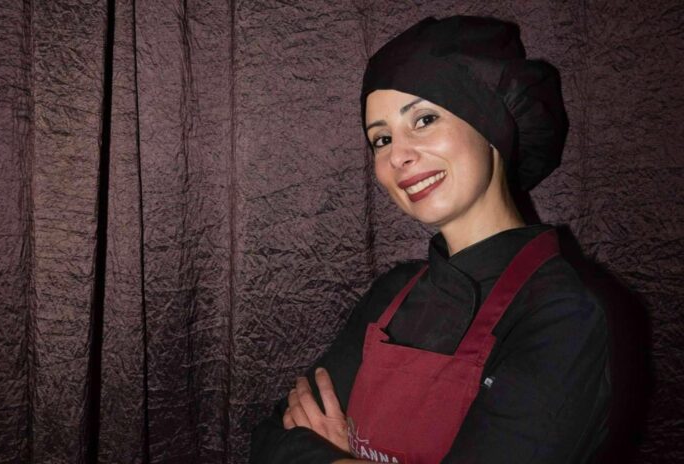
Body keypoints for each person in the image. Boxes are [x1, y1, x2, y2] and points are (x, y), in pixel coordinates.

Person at [251, 15, 610, 464]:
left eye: (424, 119)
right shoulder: (391, 293)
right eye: (381, 139)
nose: (398, 155)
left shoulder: (561, 316)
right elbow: (269, 440)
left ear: (491, 126)